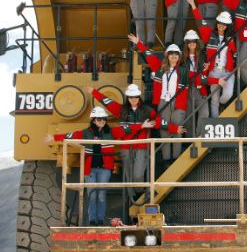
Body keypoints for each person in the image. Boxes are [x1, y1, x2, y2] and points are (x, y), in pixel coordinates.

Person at [52, 106, 154, 226]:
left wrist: (142, 126)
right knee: (92, 194)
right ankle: (92, 221)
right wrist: (54, 137)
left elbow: (127, 129)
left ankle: (99, 220)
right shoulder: (85, 133)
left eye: (104, 119)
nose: (102, 121)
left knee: (101, 195)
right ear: (94, 120)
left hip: (104, 170)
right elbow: (70, 136)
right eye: (99, 119)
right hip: (89, 170)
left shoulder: (110, 132)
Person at [86, 83, 178, 199]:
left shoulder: (147, 111)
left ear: (139, 97)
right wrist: (94, 92)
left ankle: (140, 194)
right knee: (128, 176)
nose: (133, 99)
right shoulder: (121, 110)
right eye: (131, 97)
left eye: (135, 97)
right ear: (127, 98)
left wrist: (175, 129)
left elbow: (160, 123)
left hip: (142, 148)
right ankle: (132, 198)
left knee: (138, 174)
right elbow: (106, 101)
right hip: (126, 148)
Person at [128, 34, 188, 166]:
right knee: (164, 129)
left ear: (179, 56)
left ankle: (176, 159)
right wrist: (139, 42)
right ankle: (167, 159)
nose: (173, 56)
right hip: (163, 102)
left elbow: (197, 78)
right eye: (171, 54)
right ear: (167, 56)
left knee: (177, 130)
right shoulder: (159, 68)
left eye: (176, 54)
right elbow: (148, 54)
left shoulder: (184, 71)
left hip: (178, 104)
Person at [187, 0, 237, 117]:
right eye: (220, 23)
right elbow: (200, 22)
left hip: (228, 72)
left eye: (224, 24)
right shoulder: (210, 35)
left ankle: (222, 104)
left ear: (227, 26)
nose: (221, 26)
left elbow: (235, 54)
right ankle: (215, 120)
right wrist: (193, 5)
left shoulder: (231, 39)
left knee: (227, 95)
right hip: (213, 72)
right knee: (214, 100)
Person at [182, 29, 210, 136]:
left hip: (201, 88)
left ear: (197, 42)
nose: (192, 43)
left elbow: (205, 73)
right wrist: (196, 73)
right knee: (189, 117)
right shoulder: (182, 58)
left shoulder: (203, 56)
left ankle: (199, 137)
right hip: (187, 89)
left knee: (205, 113)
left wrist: (205, 70)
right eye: (189, 41)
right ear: (186, 44)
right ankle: (190, 143)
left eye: (194, 41)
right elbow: (183, 73)